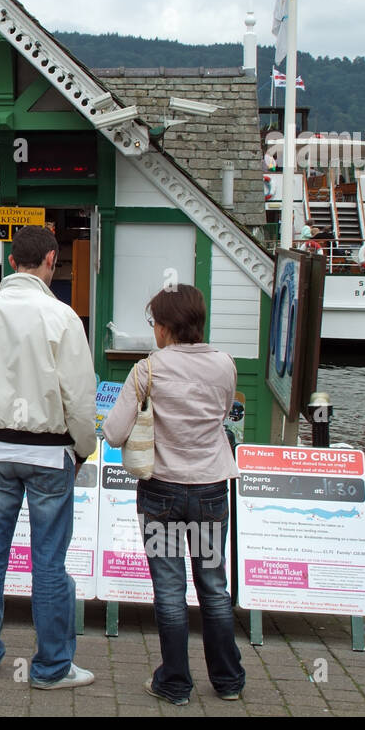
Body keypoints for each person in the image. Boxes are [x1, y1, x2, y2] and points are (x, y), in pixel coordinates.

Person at [0, 225, 97, 689]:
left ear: (12, 260)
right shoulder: (63, 317)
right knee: (49, 563)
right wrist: (84, 447)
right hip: (48, 452)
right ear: (51, 260)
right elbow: (79, 397)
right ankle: (52, 666)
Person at [103, 284, 245, 706]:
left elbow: (112, 431)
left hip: (161, 491)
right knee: (213, 586)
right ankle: (228, 679)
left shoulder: (147, 370)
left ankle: (175, 683)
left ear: (164, 327)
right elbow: (222, 416)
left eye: (154, 324)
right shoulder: (225, 364)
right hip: (209, 489)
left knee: (169, 588)